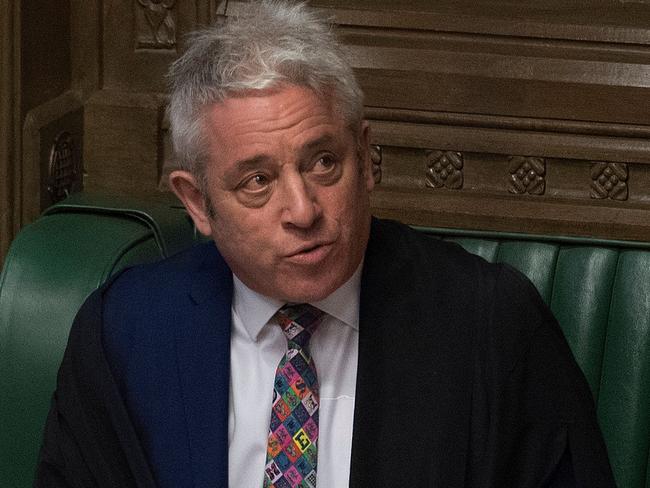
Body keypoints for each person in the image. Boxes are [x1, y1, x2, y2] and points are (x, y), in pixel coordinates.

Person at [36, 1, 615, 487]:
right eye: (257, 181)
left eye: (323, 163)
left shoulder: (491, 323)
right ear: (196, 203)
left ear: (365, 158)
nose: (304, 210)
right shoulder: (125, 333)